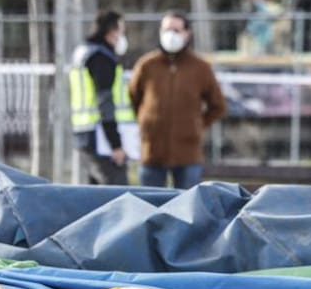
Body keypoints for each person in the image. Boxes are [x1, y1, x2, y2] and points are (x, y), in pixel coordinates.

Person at [128, 11, 227, 189]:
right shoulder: (147, 65)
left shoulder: (200, 68)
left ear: (187, 33)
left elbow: (218, 105)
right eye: (166, 29)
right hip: (152, 150)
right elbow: (133, 97)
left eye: (176, 29)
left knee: (186, 207)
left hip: (188, 153)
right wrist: (146, 121)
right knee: (147, 205)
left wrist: (197, 125)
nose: (170, 34)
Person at [69, 10, 134, 185]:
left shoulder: (84, 54)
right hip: (101, 138)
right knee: (117, 194)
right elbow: (105, 103)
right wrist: (115, 144)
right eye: (121, 30)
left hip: (85, 134)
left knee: (95, 197)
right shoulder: (101, 59)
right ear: (111, 31)